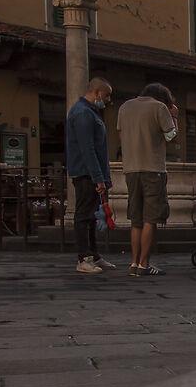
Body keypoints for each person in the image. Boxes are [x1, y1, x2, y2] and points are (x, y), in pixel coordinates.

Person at [115, 80, 177, 277]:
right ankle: (144, 264)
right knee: (150, 218)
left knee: (136, 219)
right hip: (153, 169)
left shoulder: (125, 107)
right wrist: (174, 117)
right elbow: (171, 137)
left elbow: (120, 133)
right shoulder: (159, 108)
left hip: (131, 169)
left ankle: (133, 263)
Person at [66, 77, 114, 275]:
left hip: (90, 172)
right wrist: (98, 177)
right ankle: (83, 257)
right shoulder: (83, 114)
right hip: (86, 173)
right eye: (107, 95)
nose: (109, 99)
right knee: (84, 215)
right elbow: (88, 148)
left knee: (92, 216)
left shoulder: (88, 112)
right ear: (98, 93)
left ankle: (93, 255)